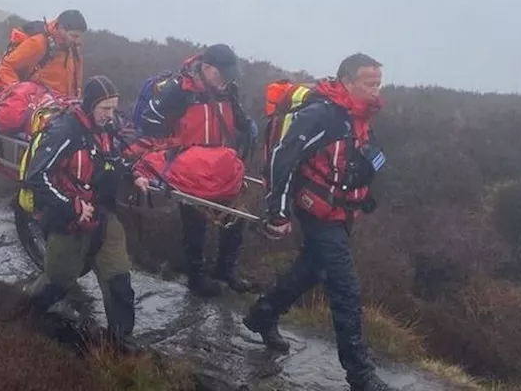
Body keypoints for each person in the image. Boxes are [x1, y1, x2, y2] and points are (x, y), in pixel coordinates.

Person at [244, 54, 395, 391]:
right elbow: (284, 155)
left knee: (311, 268)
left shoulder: (358, 115)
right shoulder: (323, 114)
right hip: (316, 210)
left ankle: (262, 315)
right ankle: (360, 374)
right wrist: (277, 210)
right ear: (347, 81)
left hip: (340, 211)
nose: (376, 91)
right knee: (345, 288)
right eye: (369, 83)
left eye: (378, 84)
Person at [18, 75, 150, 348]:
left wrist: (134, 174)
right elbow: (37, 176)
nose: (110, 115)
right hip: (67, 220)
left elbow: (111, 160)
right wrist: (72, 206)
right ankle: (24, 320)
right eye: (105, 108)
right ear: (90, 106)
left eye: (113, 108)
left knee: (119, 279)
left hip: (102, 214)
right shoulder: (65, 132)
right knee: (59, 280)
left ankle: (121, 341)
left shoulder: (107, 129)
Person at [136, 43, 259, 297]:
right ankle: (196, 276)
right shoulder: (179, 90)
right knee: (196, 223)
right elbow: (150, 118)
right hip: (190, 168)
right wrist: (172, 148)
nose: (225, 79)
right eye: (220, 74)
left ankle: (226, 269)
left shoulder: (228, 89)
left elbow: (239, 119)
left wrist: (249, 126)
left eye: (228, 74)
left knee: (236, 216)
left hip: (219, 165)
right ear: (205, 67)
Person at [0, 9, 87, 97]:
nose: (78, 41)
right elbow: (7, 66)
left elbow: (75, 86)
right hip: (34, 109)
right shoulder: (39, 43)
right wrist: (20, 93)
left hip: (59, 109)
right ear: (61, 28)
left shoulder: (73, 50)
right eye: (74, 36)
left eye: (80, 37)